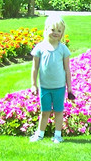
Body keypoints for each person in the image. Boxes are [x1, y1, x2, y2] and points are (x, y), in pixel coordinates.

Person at [29, 14, 73, 144]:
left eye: (59, 31)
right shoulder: (40, 48)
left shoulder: (63, 49)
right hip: (45, 87)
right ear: (46, 29)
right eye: (53, 30)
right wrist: (33, 84)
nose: (56, 33)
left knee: (59, 111)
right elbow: (35, 68)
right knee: (45, 111)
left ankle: (58, 135)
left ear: (62, 33)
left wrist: (69, 87)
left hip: (59, 87)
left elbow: (67, 69)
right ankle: (40, 134)